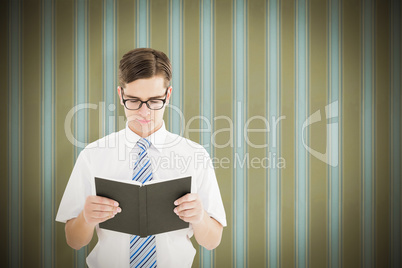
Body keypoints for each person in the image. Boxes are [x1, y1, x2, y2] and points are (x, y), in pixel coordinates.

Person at [56, 48, 226, 268]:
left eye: (155, 101)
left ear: (168, 95)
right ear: (120, 95)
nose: (145, 113)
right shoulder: (93, 155)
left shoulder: (195, 155)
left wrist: (199, 216)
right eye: (134, 101)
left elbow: (212, 242)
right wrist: (86, 218)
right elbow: (74, 240)